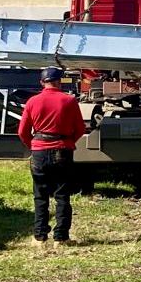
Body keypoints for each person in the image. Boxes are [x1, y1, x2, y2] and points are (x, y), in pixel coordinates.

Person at [17, 66, 86, 248]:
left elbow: (22, 131)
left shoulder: (32, 101)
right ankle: (61, 238)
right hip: (62, 150)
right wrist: (68, 142)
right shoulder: (69, 101)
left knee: (40, 195)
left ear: (42, 82)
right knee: (62, 195)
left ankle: (39, 238)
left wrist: (34, 144)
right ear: (59, 81)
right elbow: (80, 129)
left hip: (39, 150)